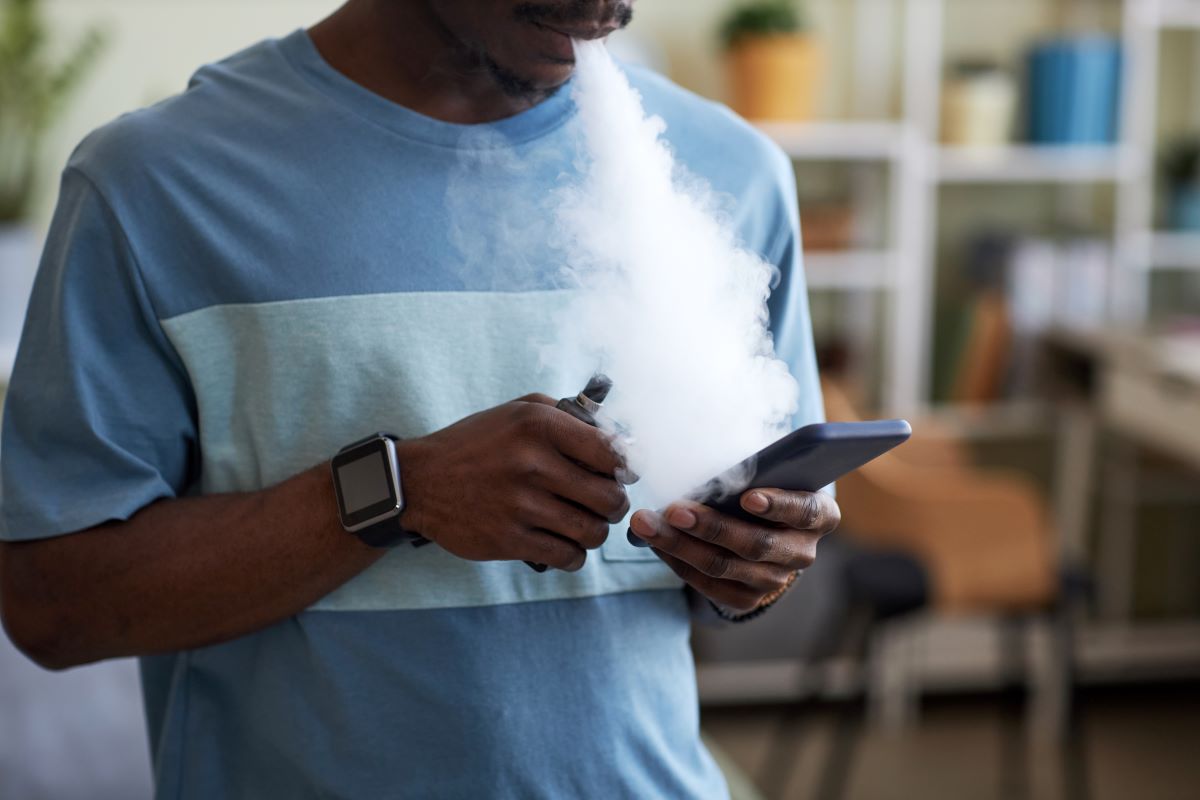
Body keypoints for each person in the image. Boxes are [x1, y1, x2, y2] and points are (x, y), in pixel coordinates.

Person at [0, 1, 839, 797]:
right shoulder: (155, 184)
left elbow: (748, 563)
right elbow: (50, 607)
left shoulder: (735, 174)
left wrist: (751, 564)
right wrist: (400, 491)